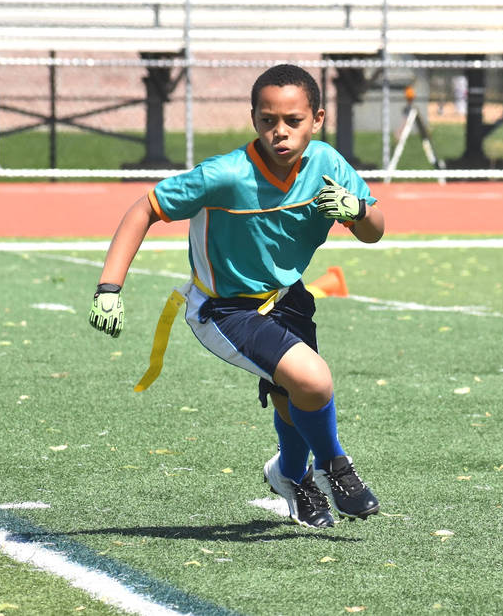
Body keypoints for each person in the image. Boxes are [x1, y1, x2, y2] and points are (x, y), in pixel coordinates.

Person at [89, 64, 385, 528]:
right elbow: (145, 208)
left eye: (293, 120)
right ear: (254, 120)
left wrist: (358, 210)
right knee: (314, 381)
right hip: (225, 308)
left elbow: (375, 231)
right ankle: (335, 468)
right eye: (268, 120)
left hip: (286, 297)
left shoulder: (328, 164)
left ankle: (290, 476)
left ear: (318, 119)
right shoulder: (225, 174)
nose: (280, 131)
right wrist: (109, 287)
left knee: (294, 397)